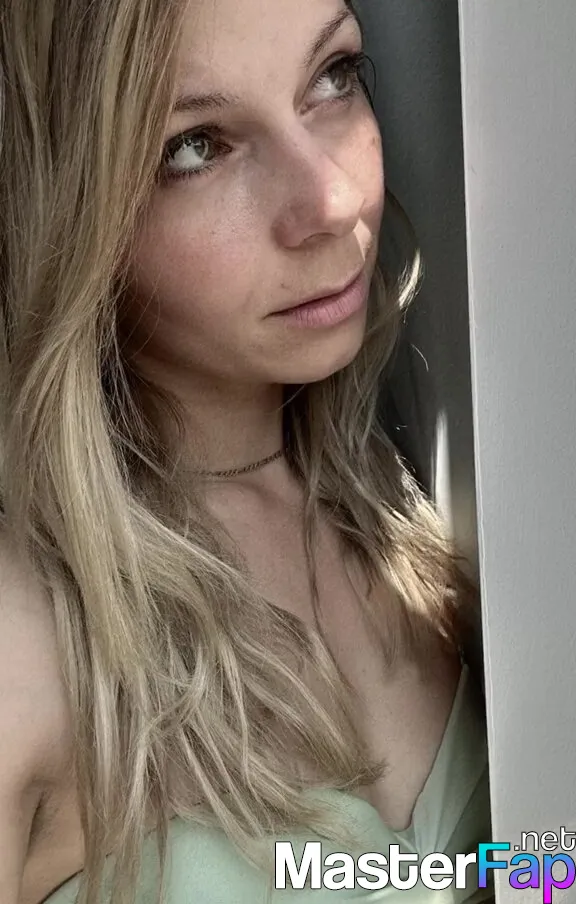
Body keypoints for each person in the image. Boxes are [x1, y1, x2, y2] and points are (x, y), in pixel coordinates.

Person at [0, 0, 492, 901]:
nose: (331, 201)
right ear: (72, 206)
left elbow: (537, 873)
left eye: (331, 78)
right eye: (196, 147)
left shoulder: (424, 526)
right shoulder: (28, 633)